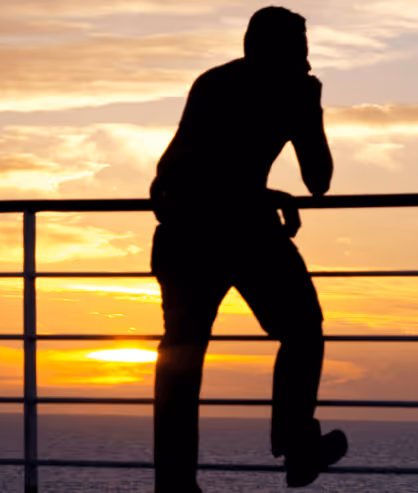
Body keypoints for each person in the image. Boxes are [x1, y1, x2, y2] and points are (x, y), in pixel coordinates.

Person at [148, 6, 347, 492]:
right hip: (216, 229)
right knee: (298, 331)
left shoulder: (225, 84)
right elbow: (192, 180)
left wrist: (307, 114)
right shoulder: (249, 89)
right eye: (298, 46)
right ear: (273, 48)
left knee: (186, 353)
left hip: (207, 230)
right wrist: (307, 111)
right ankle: (297, 446)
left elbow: (314, 180)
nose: (305, 56)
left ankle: (177, 482)